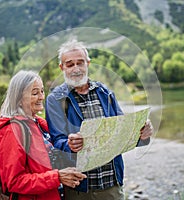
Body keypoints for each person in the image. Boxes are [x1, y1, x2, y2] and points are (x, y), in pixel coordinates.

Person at [45, 40, 154, 200]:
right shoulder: (55, 99)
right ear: (62, 68)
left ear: (88, 63)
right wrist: (68, 144)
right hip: (78, 187)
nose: (76, 69)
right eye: (70, 64)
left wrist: (142, 136)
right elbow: (56, 140)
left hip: (111, 183)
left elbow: (124, 132)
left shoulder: (105, 92)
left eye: (80, 63)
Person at [0, 70, 87, 200]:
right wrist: (57, 177)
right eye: (34, 93)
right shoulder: (12, 131)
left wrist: (70, 145)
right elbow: (14, 182)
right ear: (18, 98)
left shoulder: (39, 124)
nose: (41, 97)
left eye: (42, 91)